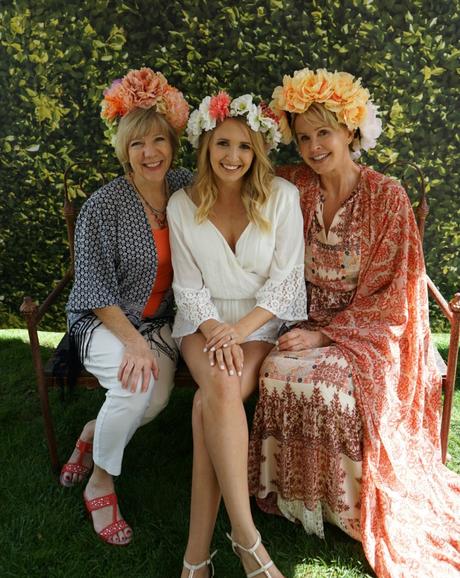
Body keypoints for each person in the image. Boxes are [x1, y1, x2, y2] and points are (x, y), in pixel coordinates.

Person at [248, 68, 460, 577]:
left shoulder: (386, 197)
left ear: (350, 130)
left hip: (373, 332)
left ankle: (348, 509)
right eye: (302, 137)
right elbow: (237, 169)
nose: (314, 146)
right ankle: (303, 501)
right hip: (304, 319)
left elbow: (398, 296)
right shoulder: (295, 187)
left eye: (324, 132)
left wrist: (326, 335)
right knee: (280, 368)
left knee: (325, 380)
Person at [168, 92, 307, 578]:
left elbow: (287, 281)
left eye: (244, 147)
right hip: (200, 322)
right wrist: (215, 331)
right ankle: (247, 540)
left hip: (259, 323)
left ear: (258, 151)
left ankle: (196, 558)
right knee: (220, 388)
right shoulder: (182, 206)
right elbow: (186, 287)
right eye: (222, 144)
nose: (233, 156)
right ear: (206, 146)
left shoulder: (282, 199)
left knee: (210, 400)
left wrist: (238, 333)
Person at [61, 67, 192, 546]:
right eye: (137, 144)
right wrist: (133, 343)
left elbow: (236, 184)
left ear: (172, 145)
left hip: (160, 323)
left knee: (153, 400)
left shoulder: (186, 187)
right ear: (124, 150)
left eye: (158, 140)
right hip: (103, 321)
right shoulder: (104, 205)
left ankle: (90, 435)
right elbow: (93, 289)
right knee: (134, 385)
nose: (149, 153)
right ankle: (101, 482)